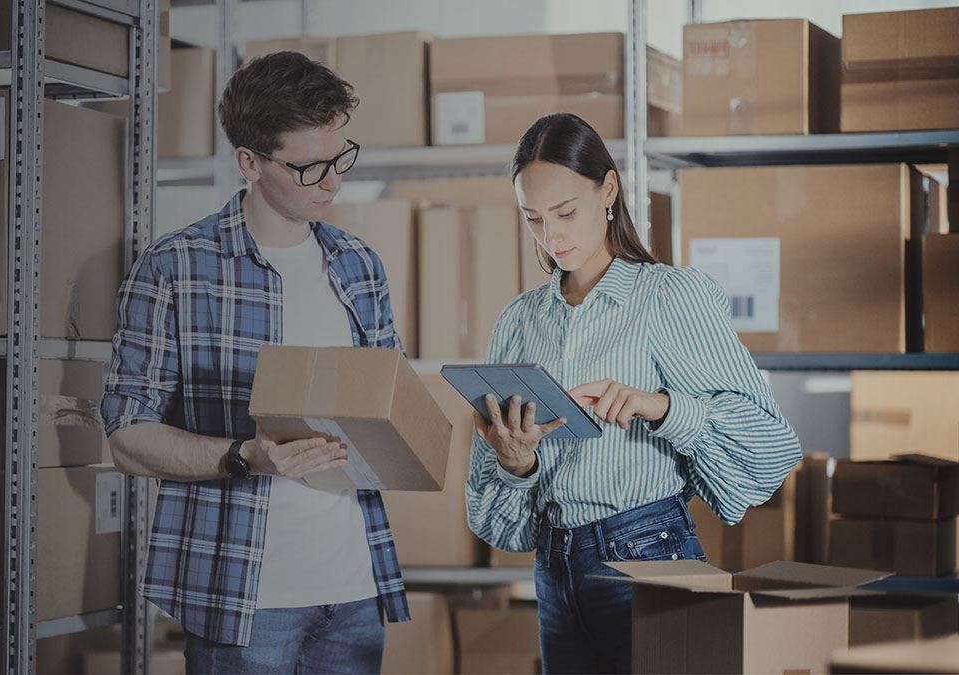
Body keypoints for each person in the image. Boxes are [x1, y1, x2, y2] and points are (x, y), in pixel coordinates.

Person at [101, 51, 409, 674]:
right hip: (244, 600)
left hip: (353, 592)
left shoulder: (359, 266)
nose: (332, 182)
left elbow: (389, 407)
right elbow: (128, 440)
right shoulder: (174, 269)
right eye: (309, 167)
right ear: (248, 162)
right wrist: (246, 456)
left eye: (340, 157)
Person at [465, 113, 802, 674]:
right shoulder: (518, 323)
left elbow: (771, 448)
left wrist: (663, 408)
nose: (552, 237)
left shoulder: (670, 298)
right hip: (554, 571)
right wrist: (516, 465)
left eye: (566, 213)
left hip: (646, 557)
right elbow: (499, 523)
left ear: (610, 189)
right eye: (534, 219)